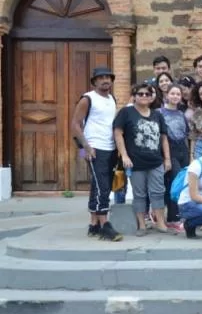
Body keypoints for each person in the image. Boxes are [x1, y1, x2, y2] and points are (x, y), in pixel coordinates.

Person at [113, 82, 173, 236]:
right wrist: (124, 155)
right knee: (139, 194)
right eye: (140, 94)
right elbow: (118, 133)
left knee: (158, 192)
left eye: (147, 94)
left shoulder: (157, 115)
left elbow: (164, 138)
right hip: (135, 162)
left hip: (156, 161)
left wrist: (167, 158)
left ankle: (160, 222)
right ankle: (141, 225)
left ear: (152, 97)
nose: (144, 96)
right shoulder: (126, 113)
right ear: (134, 96)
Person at [70, 66, 122, 241]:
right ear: (94, 82)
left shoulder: (112, 99)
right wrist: (85, 147)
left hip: (110, 147)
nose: (105, 80)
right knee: (103, 186)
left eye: (108, 77)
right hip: (94, 148)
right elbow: (75, 124)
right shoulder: (87, 99)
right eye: (101, 78)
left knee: (98, 185)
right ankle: (105, 225)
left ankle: (93, 224)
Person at [160, 84, 189, 230]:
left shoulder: (181, 114)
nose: (175, 96)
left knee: (183, 182)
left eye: (178, 94)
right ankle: (172, 217)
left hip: (182, 149)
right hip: (168, 149)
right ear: (167, 95)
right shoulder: (160, 113)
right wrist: (166, 157)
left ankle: (179, 214)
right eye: (173, 93)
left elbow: (186, 135)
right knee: (174, 182)